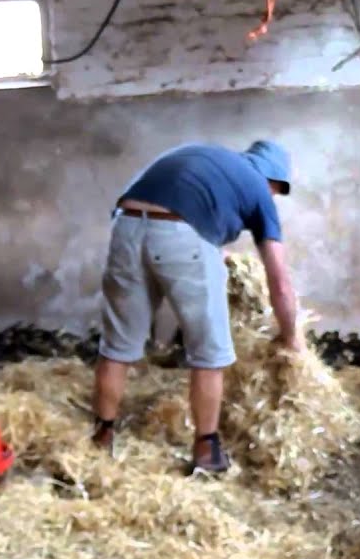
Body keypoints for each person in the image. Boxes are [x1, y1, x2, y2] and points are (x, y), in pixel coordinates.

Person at [90, 140, 301, 474]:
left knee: (117, 346)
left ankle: (100, 438)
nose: (273, 196)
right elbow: (280, 281)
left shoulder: (203, 158)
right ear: (272, 180)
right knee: (210, 352)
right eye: (277, 190)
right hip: (179, 233)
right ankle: (207, 451)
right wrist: (292, 338)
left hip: (125, 225)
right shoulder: (260, 194)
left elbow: (169, 214)